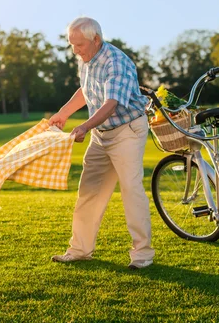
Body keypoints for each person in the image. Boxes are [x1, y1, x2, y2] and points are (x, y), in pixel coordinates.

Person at [49, 17, 154, 269]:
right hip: (101, 134)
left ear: (96, 39)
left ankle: (142, 256)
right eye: (72, 45)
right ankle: (80, 250)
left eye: (80, 45)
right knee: (89, 191)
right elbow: (86, 90)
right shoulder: (85, 58)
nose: (75, 50)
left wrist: (85, 126)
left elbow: (111, 103)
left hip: (127, 130)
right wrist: (63, 113)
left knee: (131, 189)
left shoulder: (116, 63)